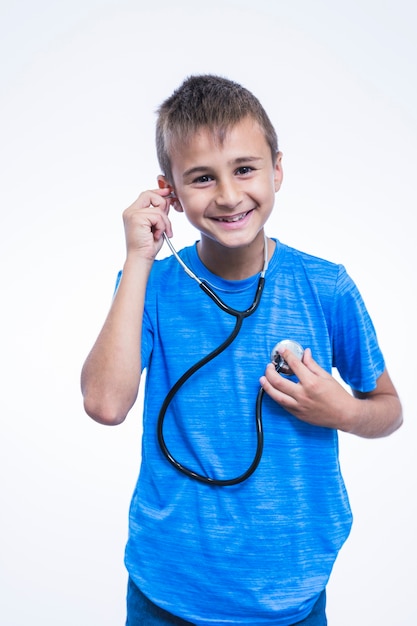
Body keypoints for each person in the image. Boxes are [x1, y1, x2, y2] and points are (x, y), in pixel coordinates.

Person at [81, 74, 402, 625]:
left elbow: (388, 410)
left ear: (278, 169)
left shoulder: (326, 287)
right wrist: (138, 259)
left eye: (246, 169)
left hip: (290, 594)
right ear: (171, 194)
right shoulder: (149, 288)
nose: (229, 196)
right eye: (202, 178)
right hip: (168, 590)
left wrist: (342, 411)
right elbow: (106, 405)